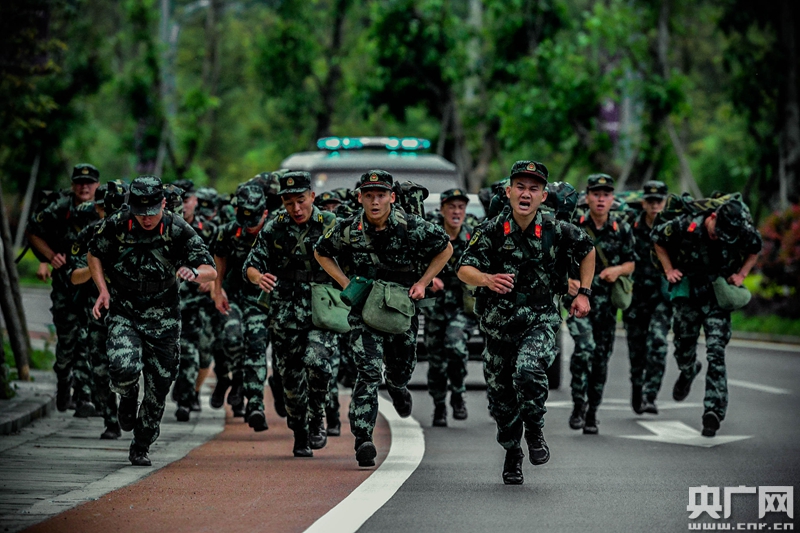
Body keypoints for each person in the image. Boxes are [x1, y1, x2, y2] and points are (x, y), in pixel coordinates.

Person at [456, 160, 595, 485]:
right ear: (508, 192)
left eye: (533, 188)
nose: (526, 193)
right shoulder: (490, 230)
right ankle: (512, 452)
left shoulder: (555, 229)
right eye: (520, 186)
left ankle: (534, 431)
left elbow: (588, 250)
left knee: (528, 371)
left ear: (543, 196)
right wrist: (487, 279)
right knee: (502, 403)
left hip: (540, 321)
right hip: (498, 328)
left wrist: (584, 293)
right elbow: (464, 269)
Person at [315, 169, 452, 467]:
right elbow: (321, 252)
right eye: (368, 195)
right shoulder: (349, 228)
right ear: (360, 197)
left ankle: (398, 385)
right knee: (367, 371)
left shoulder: (412, 226)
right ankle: (363, 437)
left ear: (392, 197)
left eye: (380, 195)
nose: (374, 202)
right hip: (365, 307)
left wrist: (424, 281)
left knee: (401, 366)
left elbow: (445, 249)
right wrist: (344, 283)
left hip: (401, 304)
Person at [88, 176, 216, 466]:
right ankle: (128, 394)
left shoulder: (176, 227)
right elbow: (94, 253)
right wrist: (103, 291)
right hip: (125, 309)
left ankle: (141, 444)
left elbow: (210, 269)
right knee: (122, 367)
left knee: (159, 386)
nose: (146, 219)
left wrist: (193, 273)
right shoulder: (119, 222)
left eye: (151, 212)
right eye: (139, 212)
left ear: (162, 203)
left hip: (164, 316)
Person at [245, 172, 340, 455]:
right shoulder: (275, 227)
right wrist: (257, 277)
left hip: (322, 310)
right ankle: (300, 431)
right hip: (285, 313)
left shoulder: (331, 224)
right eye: (289, 203)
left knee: (318, 362)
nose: (296, 209)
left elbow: (353, 257)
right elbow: (251, 264)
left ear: (312, 196)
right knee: (290, 379)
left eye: (301, 201)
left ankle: (317, 417)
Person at [652, 197, 761, 436]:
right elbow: (658, 239)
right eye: (716, 231)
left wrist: (742, 274)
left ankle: (713, 411)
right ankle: (689, 370)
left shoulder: (741, 230)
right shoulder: (685, 224)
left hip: (717, 293)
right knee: (683, 348)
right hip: (688, 292)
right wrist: (669, 269)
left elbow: (755, 247)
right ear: (712, 217)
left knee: (716, 351)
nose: (718, 237)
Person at [26, 164, 100, 412]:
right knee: (67, 338)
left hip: (92, 286)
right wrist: (48, 257)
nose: (84, 186)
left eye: (89, 183)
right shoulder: (59, 207)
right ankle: (64, 382)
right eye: (79, 182)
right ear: (72, 185)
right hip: (65, 284)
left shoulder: (102, 208)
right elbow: (33, 231)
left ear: (97, 185)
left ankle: (84, 396)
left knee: (88, 338)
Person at [567, 174, 636, 435]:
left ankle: (592, 412)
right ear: (587, 197)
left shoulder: (622, 228)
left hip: (606, 306)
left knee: (600, 359)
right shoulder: (573, 225)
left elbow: (632, 262)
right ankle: (578, 405)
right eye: (596, 194)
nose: (601, 199)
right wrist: (568, 281)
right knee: (584, 350)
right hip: (577, 302)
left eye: (606, 194)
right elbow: (556, 259)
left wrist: (617, 270)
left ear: (612, 199)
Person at [212, 184, 269, 432]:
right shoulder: (229, 231)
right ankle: (235, 378)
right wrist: (217, 289)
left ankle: (255, 403)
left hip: (262, 300)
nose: (248, 224)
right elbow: (219, 257)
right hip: (234, 295)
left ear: (264, 213)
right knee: (231, 338)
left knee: (256, 346)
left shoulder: (274, 231)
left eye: (253, 218)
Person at [424, 188, 475, 427]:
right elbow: (413, 259)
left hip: (461, 307)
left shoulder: (472, 236)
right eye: (451, 207)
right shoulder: (431, 234)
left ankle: (457, 392)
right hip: (435, 306)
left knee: (455, 346)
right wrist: (427, 278)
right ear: (442, 209)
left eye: (461, 207)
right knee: (436, 360)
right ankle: (439, 406)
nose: (456, 212)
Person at [622, 181, 673, 415]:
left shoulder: (672, 229)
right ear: (643, 203)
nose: (654, 206)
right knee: (637, 350)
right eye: (650, 201)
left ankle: (650, 395)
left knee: (659, 343)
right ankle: (637, 388)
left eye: (659, 201)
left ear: (665, 202)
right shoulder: (630, 226)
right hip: (635, 298)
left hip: (661, 298)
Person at [172, 179, 218, 421]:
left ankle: (192, 391)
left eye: (186, 200)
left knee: (204, 353)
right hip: (173, 301)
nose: (183, 205)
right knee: (185, 353)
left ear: (195, 201)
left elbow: (219, 260)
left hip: (201, 303)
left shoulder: (207, 229)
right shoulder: (165, 228)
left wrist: (212, 280)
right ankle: (184, 397)